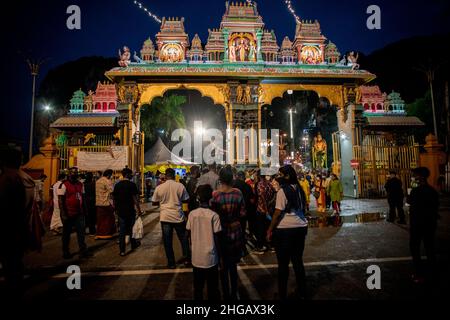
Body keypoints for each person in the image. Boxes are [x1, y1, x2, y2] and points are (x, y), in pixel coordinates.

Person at [267, 165, 308, 300]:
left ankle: (282, 294)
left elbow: (278, 213)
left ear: (287, 176)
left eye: (281, 174)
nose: (278, 177)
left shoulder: (282, 192)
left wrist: (270, 229)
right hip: (300, 228)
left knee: (283, 264)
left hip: (285, 230)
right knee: (297, 262)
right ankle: (303, 291)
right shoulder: (299, 189)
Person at [211, 166, 246, 300]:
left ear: (220, 179)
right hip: (236, 231)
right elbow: (243, 213)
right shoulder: (238, 193)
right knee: (233, 266)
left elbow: (213, 216)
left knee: (223, 266)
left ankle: (225, 293)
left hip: (221, 232)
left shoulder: (215, 195)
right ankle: (234, 293)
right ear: (232, 178)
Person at [0, 147, 28, 299]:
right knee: (14, 262)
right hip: (14, 227)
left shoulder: (8, 179)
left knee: (11, 262)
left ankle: (13, 287)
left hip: (9, 228)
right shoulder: (18, 178)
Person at [186, 184, 222, 301]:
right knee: (213, 289)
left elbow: (188, 233)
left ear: (198, 198)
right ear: (210, 197)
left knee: (198, 288)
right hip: (211, 258)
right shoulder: (214, 215)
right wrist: (220, 255)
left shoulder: (192, 214)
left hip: (197, 257)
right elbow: (217, 237)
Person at [152, 168, 190, 268]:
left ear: (165, 175)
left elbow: (154, 202)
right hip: (178, 216)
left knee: (167, 241)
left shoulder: (160, 187)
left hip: (165, 217)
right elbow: (186, 199)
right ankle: (187, 259)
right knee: (183, 239)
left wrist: (162, 201)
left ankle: (171, 263)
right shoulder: (180, 186)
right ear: (174, 175)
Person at [407, 167, 440, 284]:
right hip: (430, 224)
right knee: (430, 247)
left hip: (417, 224)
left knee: (414, 248)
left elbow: (409, 201)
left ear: (420, 177)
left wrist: (411, 189)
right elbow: (435, 207)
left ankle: (419, 273)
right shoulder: (433, 191)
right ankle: (433, 272)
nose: (413, 177)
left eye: (415, 175)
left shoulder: (416, 191)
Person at [58, 167, 88, 259]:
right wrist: (63, 214)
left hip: (79, 213)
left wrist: (85, 210)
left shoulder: (80, 184)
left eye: (76, 173)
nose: (74, 174)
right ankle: (66, 251)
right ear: (69, 174)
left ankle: (82, 250)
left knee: (81, 233)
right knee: (66, 234)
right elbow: (60, 200)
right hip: (68, 213)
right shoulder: (63, 185)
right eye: (72, 172)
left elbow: (83, 198)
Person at [113, 168, 143, 256]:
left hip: (120, 211)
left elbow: (114, 199)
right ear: (127, 174)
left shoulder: (117, 185)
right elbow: (135, 199)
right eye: (131, 174)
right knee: (131, 228)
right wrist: (139, 210)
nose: (132, 175)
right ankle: (133, 244)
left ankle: (122, 250)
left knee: (122, 230)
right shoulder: (132, 185)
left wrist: (116, 210)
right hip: (130, 210)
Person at [253, 169, 275, 254]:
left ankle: (261, 246)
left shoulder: (260, 184)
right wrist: (270, 204)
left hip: (261, 210)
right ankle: (270, 245)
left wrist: (265, 209)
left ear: (259, 175)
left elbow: (262, 197)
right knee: (268, 228)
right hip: (269, 210)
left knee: (260, 229)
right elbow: (274, 194)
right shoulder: (269, 184)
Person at [95, 169, 116, 239]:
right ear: (109, 175)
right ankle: (106, 233)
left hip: (98, 203)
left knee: (100, 220)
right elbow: (112, 192)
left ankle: (99, 233)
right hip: (106, 203)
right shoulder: (107, 181)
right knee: (109, 219)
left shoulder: (98, 181)